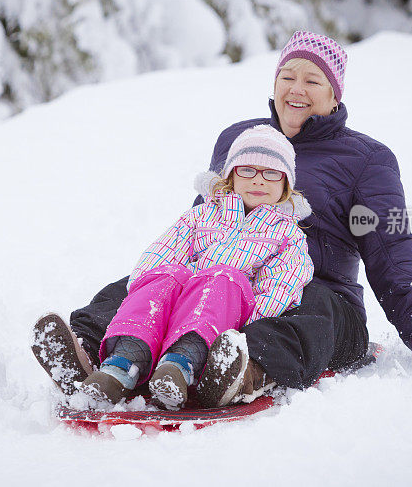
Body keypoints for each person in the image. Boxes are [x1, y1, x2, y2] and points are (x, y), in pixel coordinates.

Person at [32, 30, 412, 410]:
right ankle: (87, 351)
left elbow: (391, 247)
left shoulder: (367, 159)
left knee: (315, 309)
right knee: (156, 280)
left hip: (318, 294)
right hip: (224, 278)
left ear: (335, 96)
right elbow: (202, 221)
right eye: (288, 76)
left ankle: (238, 368)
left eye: (313, 81)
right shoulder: (238, 139)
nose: (297, 88)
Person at [40, 125, 313, 409]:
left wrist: (245, 327)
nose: (258, 180)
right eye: (247, 170)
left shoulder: (288, 235)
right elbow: (164, 251)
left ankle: (178, 367)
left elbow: (282, 286)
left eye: (270, 173)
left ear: (285, 184)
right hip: (180, 301)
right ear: (231, 174)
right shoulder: (204, 214)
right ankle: (120, 365)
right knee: (166, 274)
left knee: (224, 278)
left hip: (226, 312)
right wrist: (148, 287)